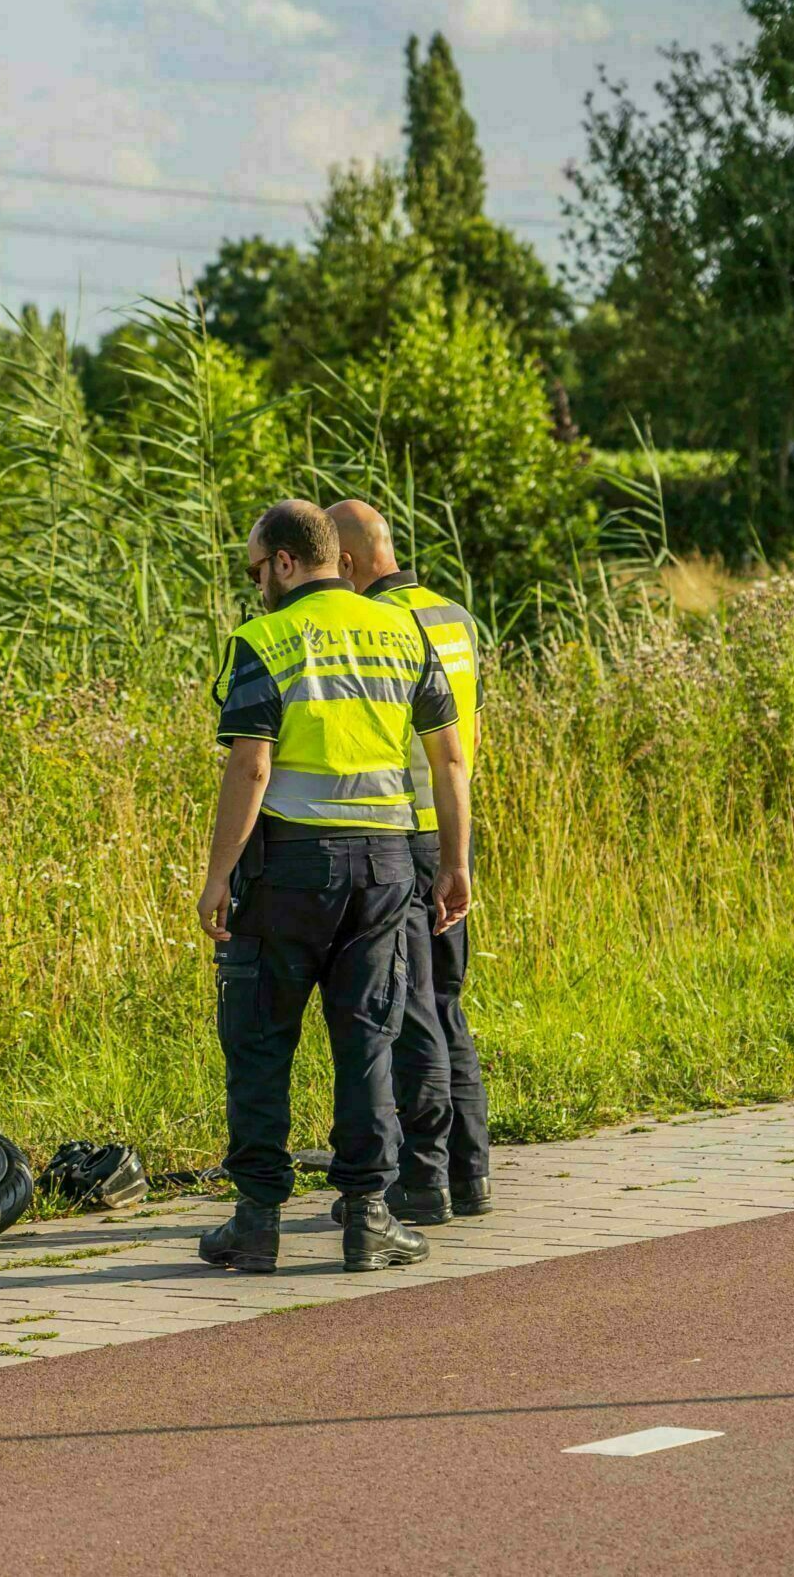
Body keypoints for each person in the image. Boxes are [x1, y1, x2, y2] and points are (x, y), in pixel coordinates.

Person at [195, 499, 474, 1274]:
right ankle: (369, 1216)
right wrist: (456, 861)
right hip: (387, 864)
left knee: (259, 1039)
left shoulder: (265, 638)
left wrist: (218, 875)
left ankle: (256, 1222)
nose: (254, 585)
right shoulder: (402, 631)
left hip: (289, 866)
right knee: (368, 1039)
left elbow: (251, 765)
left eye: (256, 569)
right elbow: (448, 759)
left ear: (285, 561)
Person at [327, 499, 491, 1225]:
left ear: (352, 564)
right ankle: (471, 1171)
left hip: (401, 830)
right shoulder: (454, 614)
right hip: (452, 830)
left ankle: (422, 1180)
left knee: (412, 1007)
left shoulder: (384, 626)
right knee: (449, 1003)